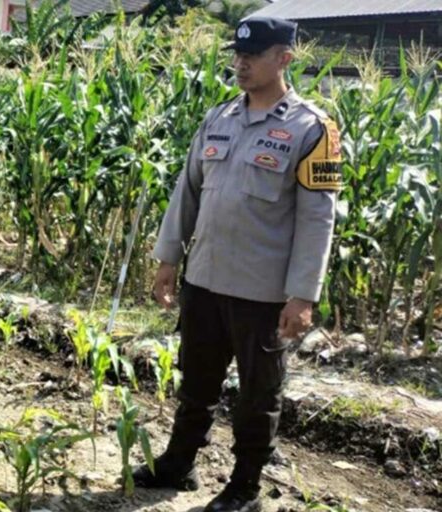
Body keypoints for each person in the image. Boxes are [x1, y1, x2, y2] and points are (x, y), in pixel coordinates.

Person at [133, 18, 342, 512]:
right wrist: (168, 257)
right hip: (204, 280)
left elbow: (319, 218)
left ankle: (244, 486)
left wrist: (302, 294)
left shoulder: (313, 129)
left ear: (284, 58)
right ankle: (178, 464)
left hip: (262, 292)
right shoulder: (218, 119)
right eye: (237, 54)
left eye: (254, 55)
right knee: (197, 382)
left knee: (258, 395)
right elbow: (187, 191)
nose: (241, 64)